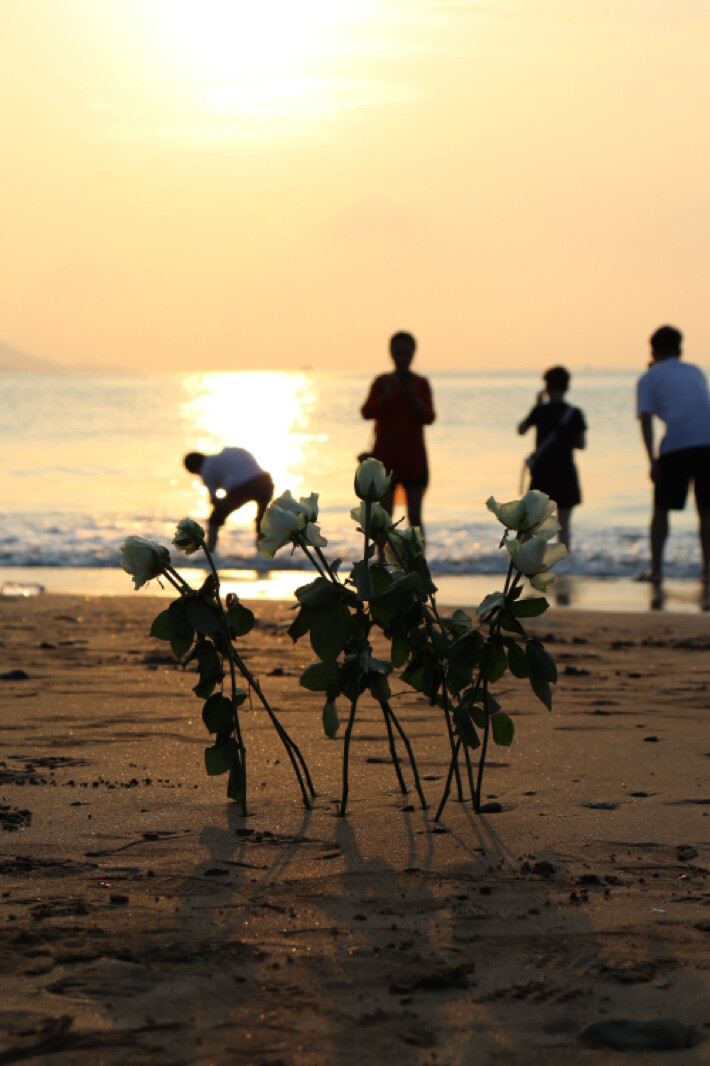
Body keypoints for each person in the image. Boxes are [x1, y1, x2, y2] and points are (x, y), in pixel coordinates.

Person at [636, 325, 710, 594]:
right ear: (680, 347)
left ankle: (656, 570)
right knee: (706, 512)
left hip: (676, 448)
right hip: (707, 445)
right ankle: (707, 571)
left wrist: (651, 461)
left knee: (661, 510)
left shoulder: (650, 377)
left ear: (653, 350)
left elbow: (645, 420)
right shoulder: (696, 371)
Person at [361, 332, 436, 548]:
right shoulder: (382, 382)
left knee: (415, 517)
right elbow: (366, 412)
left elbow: (429, 417)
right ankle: (383, 562)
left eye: (406, 352)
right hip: (385, 459)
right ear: (391, 353)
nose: (402, 357)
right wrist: (386, 396)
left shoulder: (420, 384)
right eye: (398, 352)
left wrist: (413, 396)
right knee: (384, 517)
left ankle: (418, 562)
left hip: (414, 460)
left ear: (413, 354)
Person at [518, 366, 586, 550]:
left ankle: (522, 562)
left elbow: (521, 429)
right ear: (567, 387)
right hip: (566, 472)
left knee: (531, 525)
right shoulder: (574, 413)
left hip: (542, 473)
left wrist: (536, 406)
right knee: (564, 526)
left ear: (546, 387)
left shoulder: (540, 411)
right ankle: (564, 565)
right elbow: (581, 444)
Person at [183, 447, 274, 553]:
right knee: (261, 520)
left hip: (243, 487)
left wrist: (220, 507)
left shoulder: (205, 469)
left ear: (194, 468)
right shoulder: (224, 453)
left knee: (215, 518)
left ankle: (210, 552)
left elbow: (213, 500)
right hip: (265, 482)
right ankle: (262, 556)